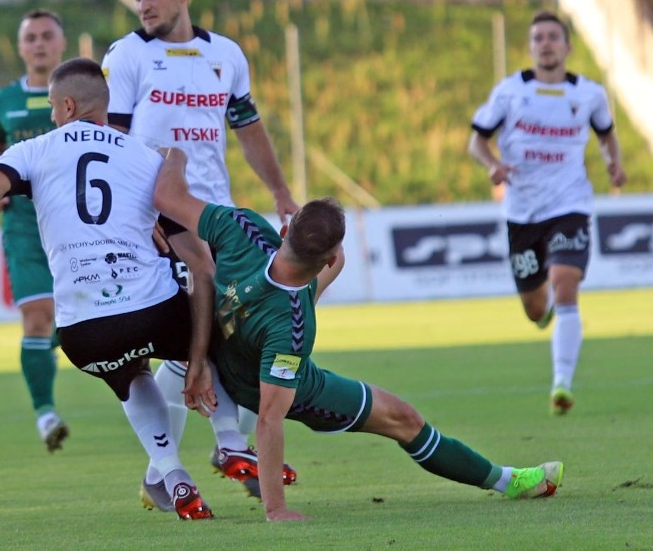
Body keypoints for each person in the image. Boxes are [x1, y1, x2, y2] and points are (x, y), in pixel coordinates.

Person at [0, 58, 241, 520]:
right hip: (153, 309)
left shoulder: (34, 151)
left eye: (54, 109)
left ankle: (171, 471)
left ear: (67, 104)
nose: (53, 117)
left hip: (83, 332)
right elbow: (197, 258)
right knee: (213, 338)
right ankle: (234, 443)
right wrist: (197, 357)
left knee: (129, 374)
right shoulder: (145, 155)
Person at [153, 147, 566, 522]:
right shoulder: (293, 327)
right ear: (325, 257)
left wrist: (175, 155)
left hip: (223, 345)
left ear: (283, 231)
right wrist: (276, 509)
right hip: (269, 382)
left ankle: (164, 470)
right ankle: (508, 480)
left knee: (297, 293)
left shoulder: (239, 226)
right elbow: (269, 417)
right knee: (405, 420)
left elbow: (168, 196)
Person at [101, 0, 301, 500]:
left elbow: (249, 127)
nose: (143, 4)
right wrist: (134, 220)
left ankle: (159, 472)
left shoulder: (226, 55)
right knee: (207, 318)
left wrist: (280, 192)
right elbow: (112, 146)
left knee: (210, 332)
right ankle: (229, 438)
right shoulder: (126, 58)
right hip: (157, 213)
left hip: (218, 212)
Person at [468, 10, 627, 415]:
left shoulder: (588, 94)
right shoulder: (509, 92)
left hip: (569, 204)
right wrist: (493, 166)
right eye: (538, 37)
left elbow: (608, 135)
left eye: (553, 36)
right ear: (530, 47)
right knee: (536, 309)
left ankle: (562, 383)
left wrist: (613, 162)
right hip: (522, 212)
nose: (546, 43)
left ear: (568, 46)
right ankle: (550, 314)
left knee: (564, 281)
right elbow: (476, 141)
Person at [0, 9, 70, 451]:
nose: (38, 44)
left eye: (46, 36)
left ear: (62, 44)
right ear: (21, 48)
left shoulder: (83, 96)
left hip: (74, 221)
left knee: (79, 316)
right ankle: (45, 414)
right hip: (22, 223)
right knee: (37, 315)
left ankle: (59, 340)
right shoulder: (4, 100)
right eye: (30, 37)